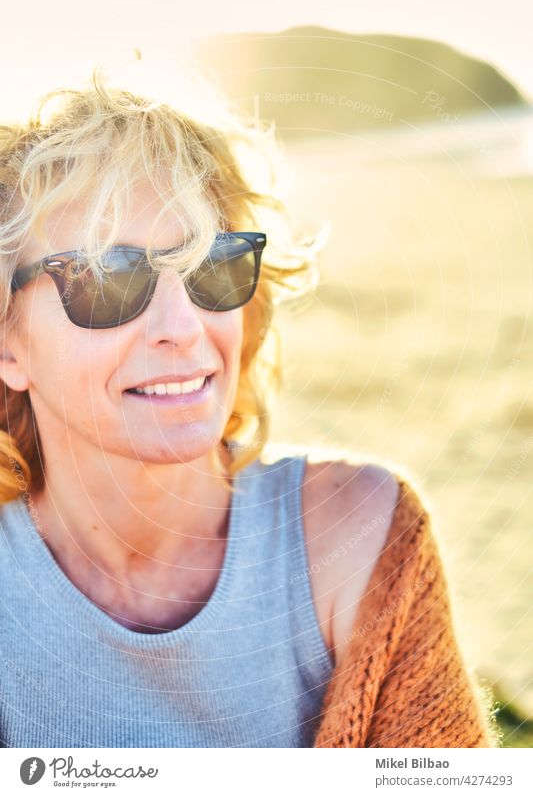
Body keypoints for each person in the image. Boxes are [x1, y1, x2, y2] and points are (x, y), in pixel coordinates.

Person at [0, 73, 496, 748]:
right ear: (9, 344)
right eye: (110, 278)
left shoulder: (357, 536)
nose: (183, 325)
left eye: (212, 264)